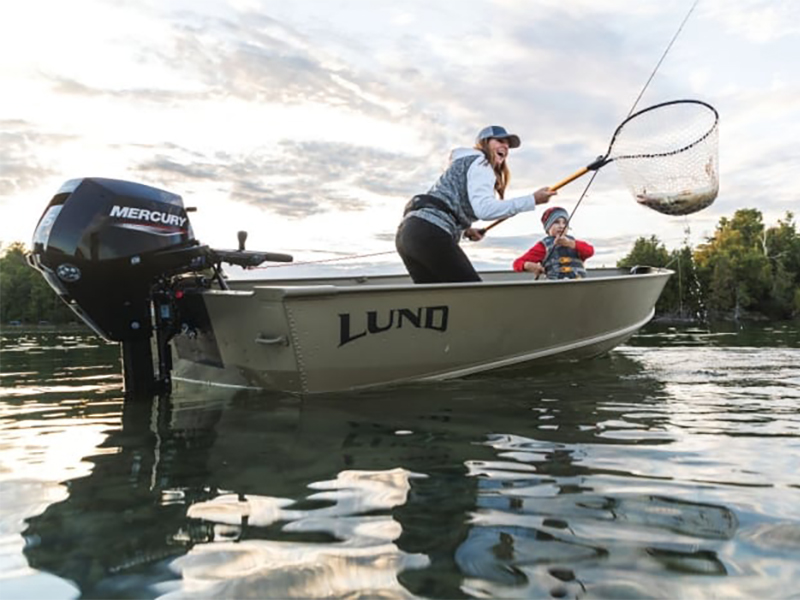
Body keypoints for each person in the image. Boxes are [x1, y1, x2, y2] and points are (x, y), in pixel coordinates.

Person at [395, 125, 556, 283]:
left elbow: (447, 202)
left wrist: (466, 229)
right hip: (429, 232)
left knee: (436, 301)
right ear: (484, 143)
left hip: (407, 234)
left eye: (507, 144)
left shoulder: (464, 163)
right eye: (499, 140)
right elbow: (484, 210)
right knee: (473, 296)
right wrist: (532, 199)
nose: (505, 146)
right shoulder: (482, 163)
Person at [512, 206, 594, 279]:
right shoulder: (543, 246)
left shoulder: (574, 243)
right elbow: (517, 263)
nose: (561, 226)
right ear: (548, 227)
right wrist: (528, 265)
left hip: (578, 285)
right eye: (556, 222)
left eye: (565, 223)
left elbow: (590, 251)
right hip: (555, 288)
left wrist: (570, 243)